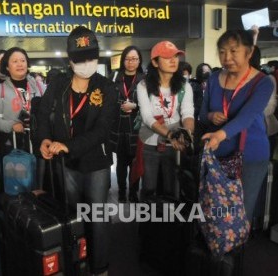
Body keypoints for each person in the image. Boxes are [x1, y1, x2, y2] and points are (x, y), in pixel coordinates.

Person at [37, 26, 118, 276]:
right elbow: (41, 115)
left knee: (97, 216)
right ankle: (75, 262)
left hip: (96, 164)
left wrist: (68, 146)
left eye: (91, 57)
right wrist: (43, 139)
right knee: (73, 216)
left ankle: (100, 267)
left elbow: (103, 130)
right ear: (70, 60)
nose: (87, 63)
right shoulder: (59, 84)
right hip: (67, 164)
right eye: (80, 59)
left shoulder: (106, 87)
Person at [200, 30, 274, 223]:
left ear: (249, 52)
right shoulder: (214, 78)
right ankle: (216, 248)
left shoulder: (264, 82)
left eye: (234, 51)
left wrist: (219, 135)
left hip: (251, 154)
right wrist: (210, 115)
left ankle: (235, 251)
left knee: (241, 211)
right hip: (218, 153)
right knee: (216, 208)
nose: (227, 57)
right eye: (222, 52)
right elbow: (202, 114)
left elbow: (246, 117)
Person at [136, 41, 195, 200]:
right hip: (150, 141)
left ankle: (170, 223)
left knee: (172, 187)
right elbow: (147, 117)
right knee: (149, 187)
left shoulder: (184, 86)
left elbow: (188, 112)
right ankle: (148, 222)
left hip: (175, 144)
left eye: (176, 56)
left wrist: (186, 134)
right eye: (167, 57)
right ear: (155, 62)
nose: (173, 60)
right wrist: (170, 134)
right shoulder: (143, 85)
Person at [0, 47, 43, 157]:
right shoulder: (0, 90)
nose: (20, 64)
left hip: (39, 143)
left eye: (23, 60)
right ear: (7, 67)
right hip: (14, 145)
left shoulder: (38, 86)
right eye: (15, 61)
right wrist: (12, 125)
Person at [109, 45, 145, 203]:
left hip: (136, 127)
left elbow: (151, 104)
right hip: (118, 127)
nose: (131, 62)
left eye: (134, 59)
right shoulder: (114, 77)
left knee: (135, 161)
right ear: (123, 60)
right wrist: (120, 106)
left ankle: (134, 192)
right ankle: (122, 191)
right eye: (128, 59)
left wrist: (135, 106)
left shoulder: (145, 80)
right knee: (121, 163)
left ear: (139, 61)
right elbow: (107, 101)